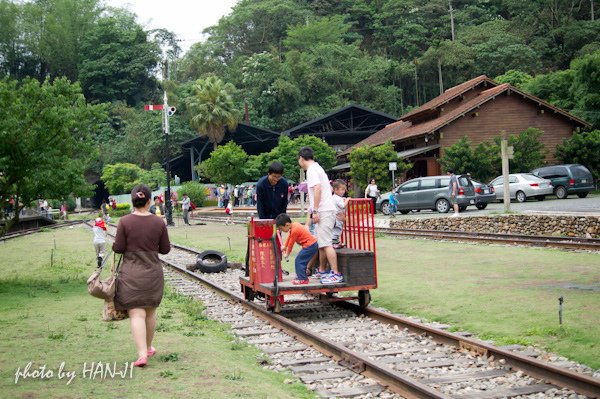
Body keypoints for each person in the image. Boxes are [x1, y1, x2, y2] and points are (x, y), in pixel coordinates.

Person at [112, 184, 171, 367]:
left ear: (132, 201)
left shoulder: (124, 221)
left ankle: (142, 354)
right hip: (153, 274)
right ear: (148, 201)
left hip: (131, 274)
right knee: (150, 313)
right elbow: (165, 249)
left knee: (136, 314)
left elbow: (119, 248)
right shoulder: (158, 222)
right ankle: (149, 347)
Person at [298, 146, 343, 284]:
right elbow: (327, 189)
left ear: (301, 158)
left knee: (326, 243)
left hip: (323, 211)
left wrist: (316, 210)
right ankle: (322, 270)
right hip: (325, 209)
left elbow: (317, 189)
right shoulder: (318, 168)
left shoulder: (311, 170)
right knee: (322, 243)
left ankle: (336, 273)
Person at [276, 213, 318, 285]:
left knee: (299, 260)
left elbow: (291, 244)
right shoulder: (294, 225)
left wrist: (287, 254)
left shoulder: (295, 230)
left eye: (281, 228)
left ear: (287, 225)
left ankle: (303, 279)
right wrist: (285, 246)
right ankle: (300, 276)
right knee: (300, 260)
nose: (281, 230)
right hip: (311, 245)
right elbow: (289, 237)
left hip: (310, 246)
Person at [332, 179, 350, 246]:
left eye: (344, 189)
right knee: (337, 230)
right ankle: (334, 242)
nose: (343, 191)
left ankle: (335, 242)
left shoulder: (334, 197)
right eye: (342, 190)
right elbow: (343, 206)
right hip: (338, 218)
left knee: (334, 230)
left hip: (333, 217)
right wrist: (347, 200)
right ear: (336, 190)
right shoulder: (338, 198)